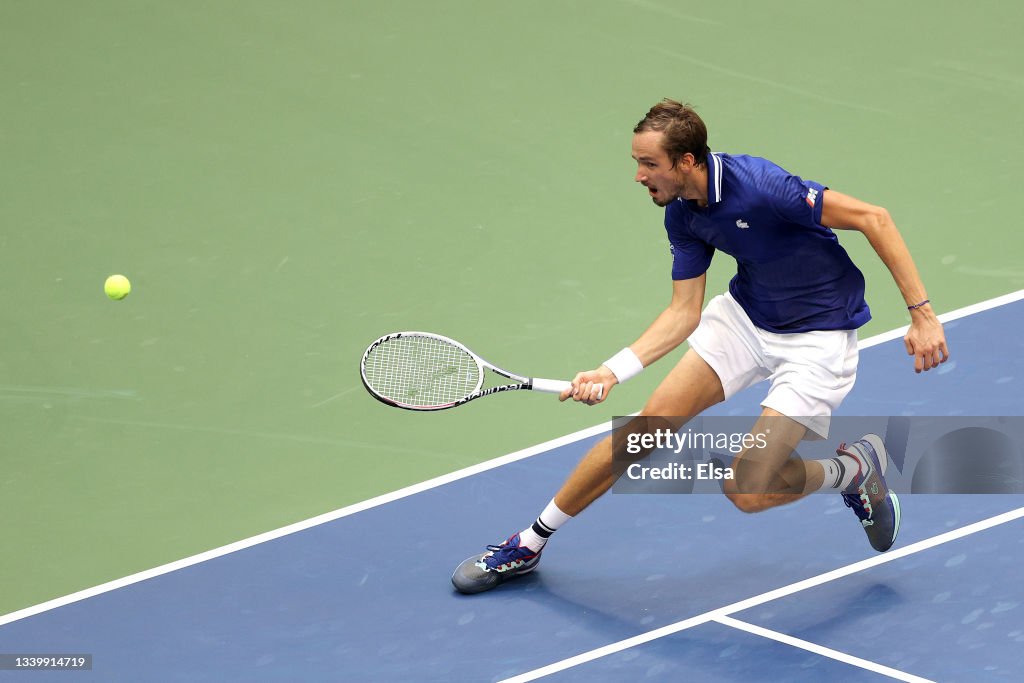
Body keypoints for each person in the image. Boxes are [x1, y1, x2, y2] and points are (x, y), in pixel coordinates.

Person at [451, 99, 949, 594]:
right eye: (637, 163)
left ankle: (852, 471)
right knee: (643, 433)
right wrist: (611, 371)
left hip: (818, 341)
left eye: (649, 164)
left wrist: (921, 314)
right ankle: (530, 543)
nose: (640, 176)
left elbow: (875, 218)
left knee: (748, 489)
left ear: (686, 161)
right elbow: (683, 312)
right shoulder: (682, 215)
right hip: (746, 322)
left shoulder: (760, 186)